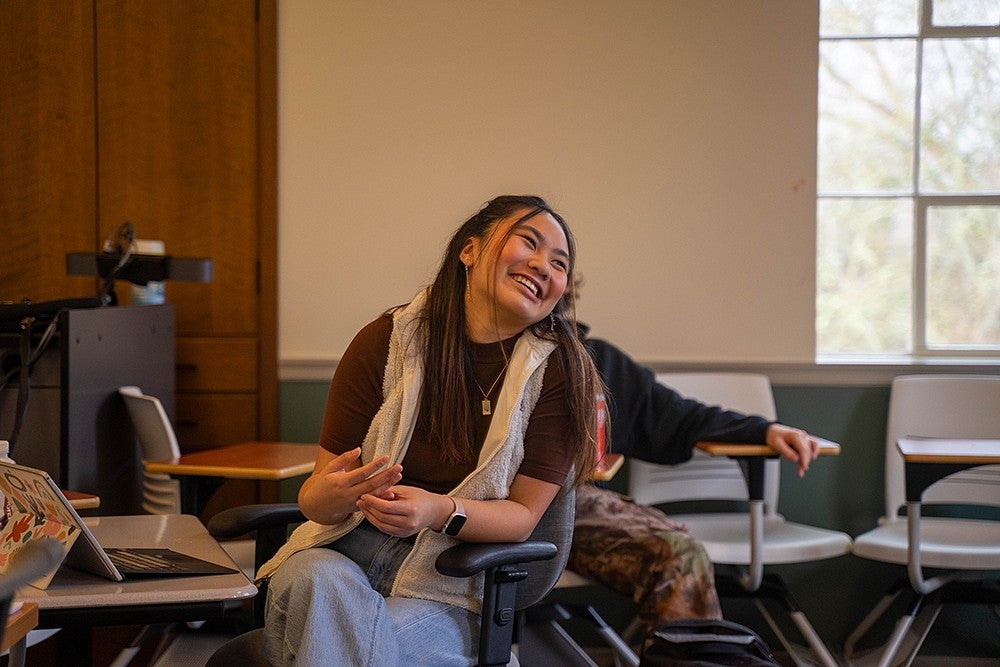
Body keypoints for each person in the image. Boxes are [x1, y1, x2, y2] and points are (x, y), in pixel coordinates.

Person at [255, 195, 604, 666]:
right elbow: (314, 500)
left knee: (348, 642)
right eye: (529, 242)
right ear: (470, 250)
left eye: (559, 264)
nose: (543, 266)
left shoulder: (561, 371)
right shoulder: (386, 340)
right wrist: (337, 494)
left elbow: (522, 516)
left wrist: (439, 510)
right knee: (314, 578)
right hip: (344, 555)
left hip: (445, 586)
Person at [569, 328, 822, 633]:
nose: (544, 278)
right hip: (501, 510)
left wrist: (762, 430)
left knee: (679, 554)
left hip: (572, 510)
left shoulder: (596, 361)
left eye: (561, 275)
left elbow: (681, 418)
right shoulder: (499, 359)